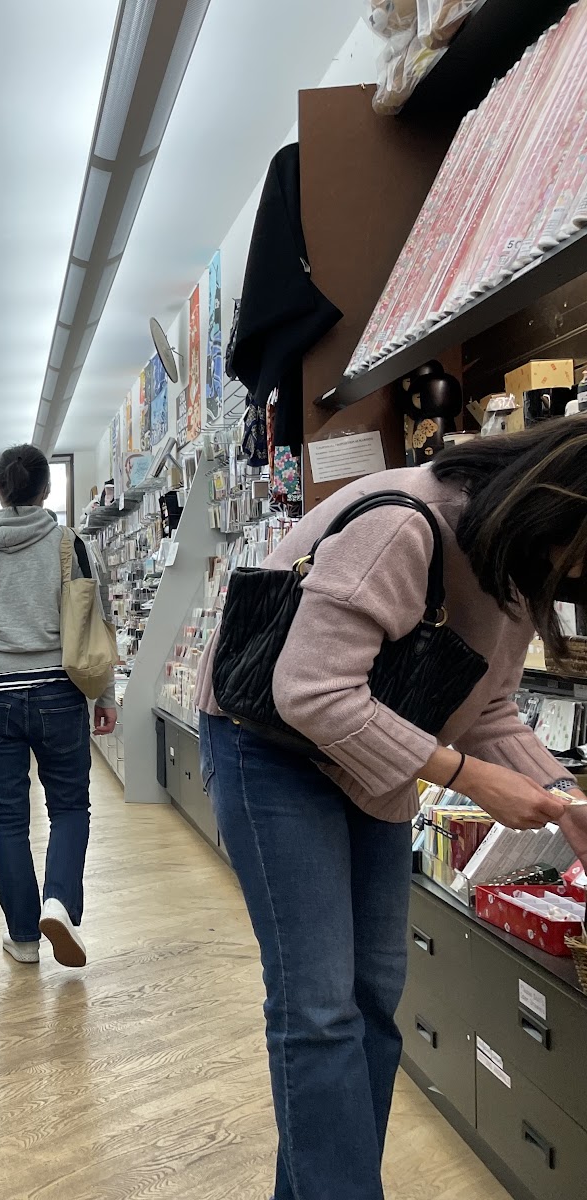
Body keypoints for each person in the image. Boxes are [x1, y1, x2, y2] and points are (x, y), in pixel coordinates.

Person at [196, 416, 587, 1200]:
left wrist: (565, 797)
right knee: (318, 1007)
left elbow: (489, 708)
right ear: (556, 510)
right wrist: (470, 778)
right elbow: (310, 693)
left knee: (372, 995)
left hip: (370, 756)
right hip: (267, 746)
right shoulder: (407, 525)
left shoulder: (514, 564)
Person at [0, 444, 118, 967]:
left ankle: (22, 937)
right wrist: (104, 694)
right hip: (60, 690)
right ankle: (58, 902)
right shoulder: (69, 542)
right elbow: (96, 623)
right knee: (69, 807)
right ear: (46, 491)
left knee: (8, 819)